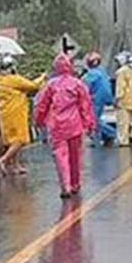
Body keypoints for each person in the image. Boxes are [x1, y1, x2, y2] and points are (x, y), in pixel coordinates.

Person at [34, 54, 96, 198]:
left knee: (60, 156)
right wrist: (89, 124)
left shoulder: (51, 85)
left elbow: (42, 105)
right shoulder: (78, 84)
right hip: (75, 125)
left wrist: (38, 121)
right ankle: (75, 183)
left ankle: (65, 186)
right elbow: (85, 106)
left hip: (57, 126)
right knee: (75, 156)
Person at [0, 58, 44, 174]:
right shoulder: (13, 80)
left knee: (13, 141)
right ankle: (4, 159)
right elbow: (33, 86)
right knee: (20, 140)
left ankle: (15, 165)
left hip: (5, 114)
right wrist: (42, 77)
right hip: (16, 113)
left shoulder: (0, 80)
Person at [82, 52, 118, 147]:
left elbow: (84, 86)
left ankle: (111, 133)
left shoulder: (92, 74)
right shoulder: (102, 71)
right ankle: (104, 137)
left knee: (94, 120)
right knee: (96, 119)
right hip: (103, 98)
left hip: (96, 99)